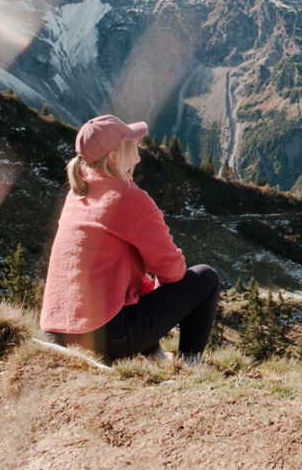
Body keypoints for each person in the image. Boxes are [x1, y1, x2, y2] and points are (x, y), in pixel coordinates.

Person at [40, 114, 220, 364]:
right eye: (132, 148)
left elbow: (109, 271)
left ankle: (154, 356)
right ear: (113, 156)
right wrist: (159, 288)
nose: (137, 156)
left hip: (54, 333)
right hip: (103, 337)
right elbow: (173, 272)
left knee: (131, 299)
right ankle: (190, 363)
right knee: (205, 277)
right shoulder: (128, 198)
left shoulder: (78, 193)